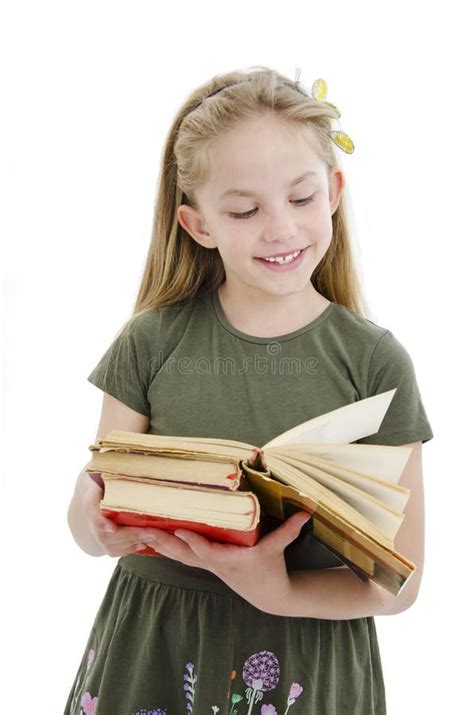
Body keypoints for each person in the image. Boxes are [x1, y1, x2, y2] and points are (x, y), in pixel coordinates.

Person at [64, 65, 434, 715]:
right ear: (198, 223)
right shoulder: (150, 341)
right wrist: (93, 522)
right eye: (244, 209)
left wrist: (277, 591)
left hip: (306, 660)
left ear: (334, 190)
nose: (281, 229)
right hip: (157, 647)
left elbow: (398, 584)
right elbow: (92, 504)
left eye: (300, 198)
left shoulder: (376, 362)